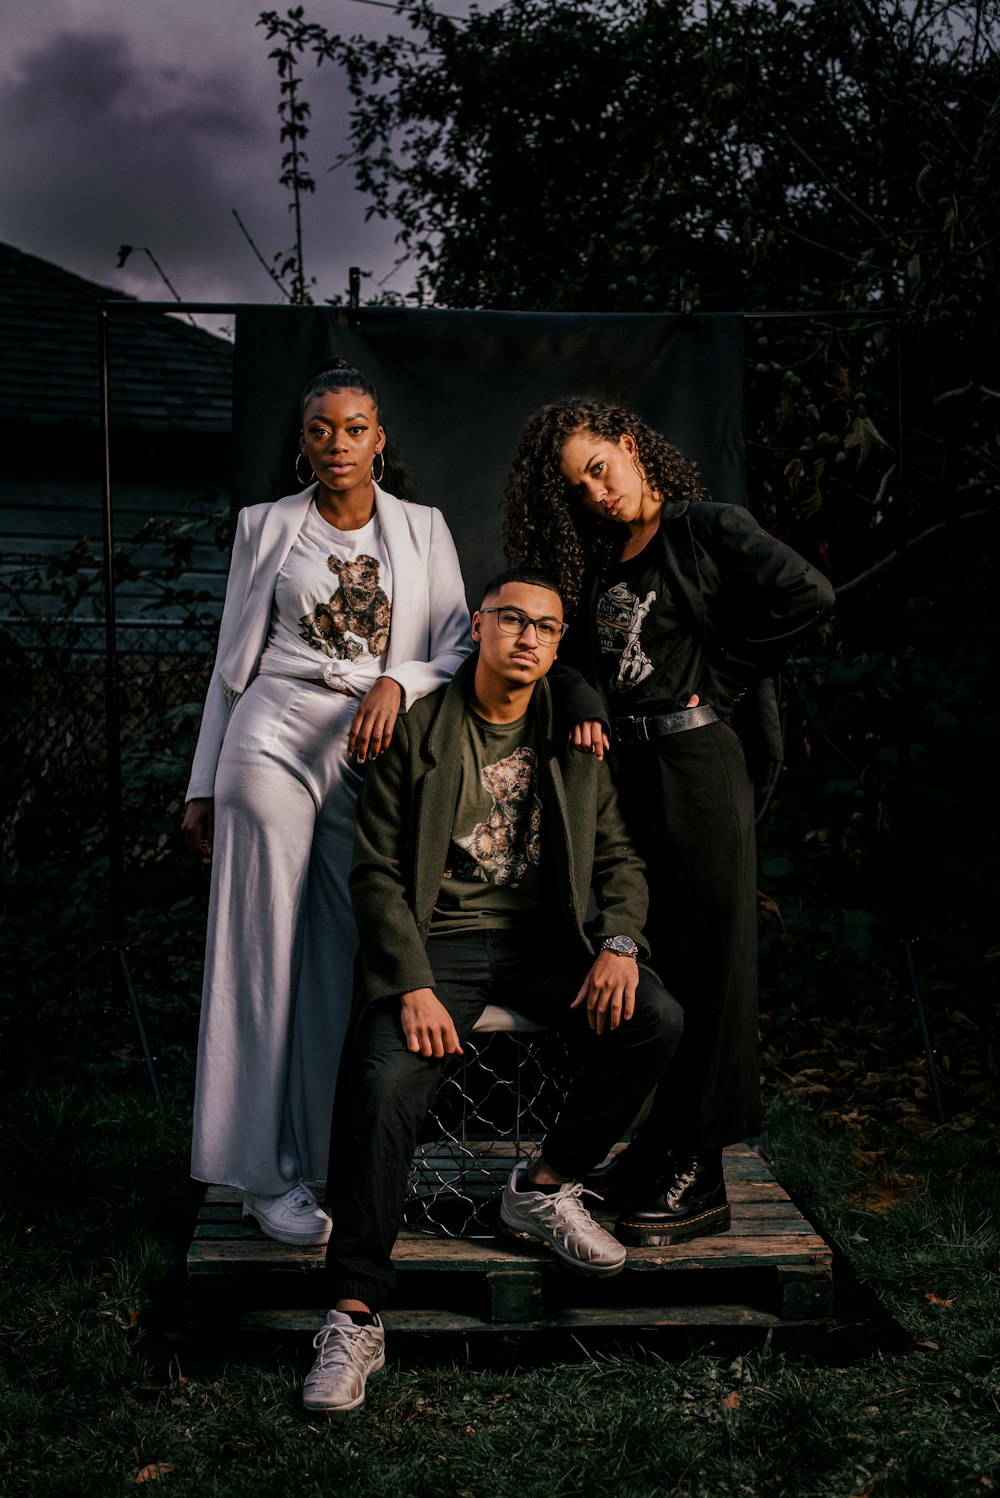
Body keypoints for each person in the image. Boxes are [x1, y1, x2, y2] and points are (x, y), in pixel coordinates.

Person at [302, 568, 683, 1414]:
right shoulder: (421, 728)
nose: (528, 638)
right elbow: (374, 874)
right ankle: (356, 1310)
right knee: (382, 1076)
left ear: (557, 646)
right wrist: (409, 981)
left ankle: (542, 1189)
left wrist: (618, 941)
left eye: (547, 629)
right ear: (479, 625)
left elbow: (618, 857)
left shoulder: (574, 733)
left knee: (654, 1016)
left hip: (546, 941)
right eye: (513, 620)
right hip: (441, 942)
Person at [502, 400, 836, 1247]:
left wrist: (721, 684)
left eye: (600, 468)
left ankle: (704, 1164)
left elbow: (809, 592)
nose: (596, 492)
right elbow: (575, 662)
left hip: (696, 766)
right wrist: (579, 701)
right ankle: (656, 1142)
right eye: (578, 485)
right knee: (663, 961)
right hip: (631, 774)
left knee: (714, 964)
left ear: (629, 444)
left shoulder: (705, 528)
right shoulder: (604, 560)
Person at [180, 358, 472, 1246]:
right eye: (320, 429)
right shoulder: (265, 526)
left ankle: (322, 1158)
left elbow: (458, 643)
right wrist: (201, 782)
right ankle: (257, 1174)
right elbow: (233, 662)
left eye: (354, 428)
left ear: (380, 439)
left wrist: (398, 681)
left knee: (343, 956)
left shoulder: (422, 529)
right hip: (270, 733)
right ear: (301, 443)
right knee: (258, 949)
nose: (337, 443)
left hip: (367, 749)